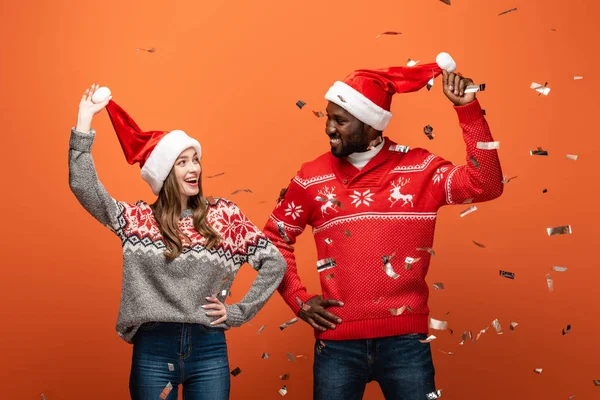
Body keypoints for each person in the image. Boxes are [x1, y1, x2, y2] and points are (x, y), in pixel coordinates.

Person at [262, 53, 503, 400]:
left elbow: (487, 184)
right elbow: (272, 240)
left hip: (406, 343)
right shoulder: (311, 177)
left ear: (371, 125)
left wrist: (468, 110)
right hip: (337, 346)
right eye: (329, 118)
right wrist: (298, 300)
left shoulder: (420, 169)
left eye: (341, 120)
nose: (329, 128)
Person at [69, 84, 287, 400]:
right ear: (164, 173)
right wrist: (84, 120)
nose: (194, 168)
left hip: (208, 346)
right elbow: (83, 186)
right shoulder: (136, 219)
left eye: (195, 159)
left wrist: (238, 311)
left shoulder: (224, 214)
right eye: (182, 162)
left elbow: (274, 262)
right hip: (153, 348)